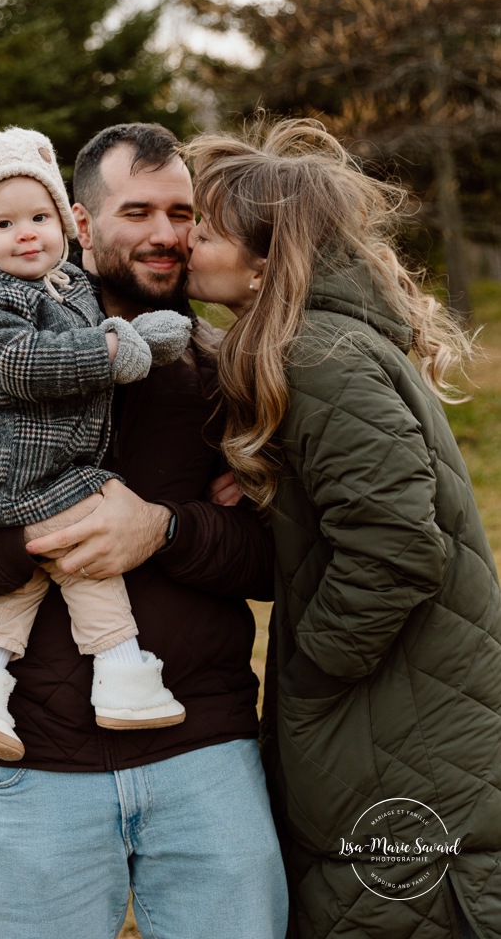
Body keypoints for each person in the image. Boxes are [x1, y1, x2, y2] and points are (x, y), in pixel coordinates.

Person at [0, 120, 289, 939]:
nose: (165, 235)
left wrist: (164, 530)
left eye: (183, 213)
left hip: (201, 753)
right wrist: (30, 537)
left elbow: (281, 561)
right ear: (78, 223)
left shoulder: (227, 371)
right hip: (25, 762)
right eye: (138, 211)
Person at [182, 117, 501, 939]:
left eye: (205, 229)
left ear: (262, 262)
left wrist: (318, 670)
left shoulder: (320, 355)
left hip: (401, 734)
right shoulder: (324, 345)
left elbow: (394, 547)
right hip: (409, 727)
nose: (186, 241)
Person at [0, 103, 191, 761]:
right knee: (85, 529)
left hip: (24, 472)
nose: (27, 235)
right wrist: (113, 352)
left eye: (38, 218)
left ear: (65, 223)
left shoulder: (60, 287)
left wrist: (135, 340)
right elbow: (26, 361)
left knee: (61, 545)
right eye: (3, 224)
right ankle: (122, 669)